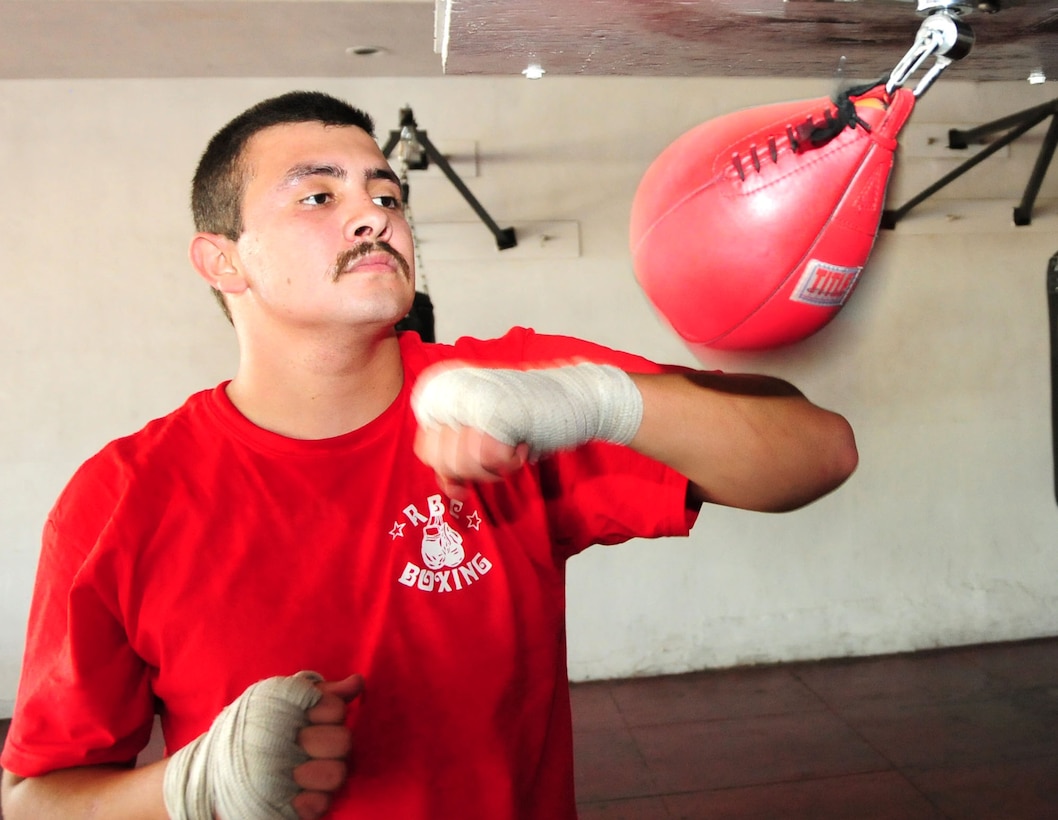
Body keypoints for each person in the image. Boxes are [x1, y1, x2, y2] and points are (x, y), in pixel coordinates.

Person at [0, 90, 858, 820]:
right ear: (222, 260)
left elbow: (820, 454)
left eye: (388, 192)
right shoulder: (123, 496)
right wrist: (192, 787)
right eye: (316, 197)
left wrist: (595, 401)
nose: (376, 212)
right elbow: (34, 798)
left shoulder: (510, 393)